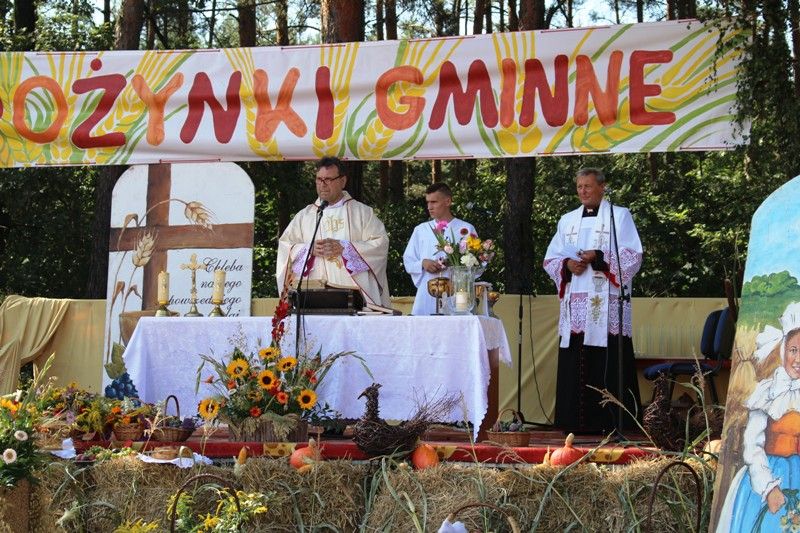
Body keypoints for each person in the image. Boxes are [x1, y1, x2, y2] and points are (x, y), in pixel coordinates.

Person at [543, 167, 643, 433]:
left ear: (602, 187)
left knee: (605, 362)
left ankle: (611, 422)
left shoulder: (619, 216)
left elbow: (632, 256)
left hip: (606, 301)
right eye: (579, 187)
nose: (583, 191)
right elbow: (551, 258)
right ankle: (573, 422)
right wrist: (567, 265)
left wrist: (598, 256)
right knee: (575, 363)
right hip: (576, 300)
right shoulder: (567, 220)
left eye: (587, 186)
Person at [717, 302, 800, 532]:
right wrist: (768, 488)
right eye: (793, 350)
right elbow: (752, 447)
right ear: (783, 350)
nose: (798, 359)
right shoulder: (767, 391)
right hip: (770, 475)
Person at [276, 156, 391, 307]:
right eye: (319, 179)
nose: (322, 185)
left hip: (354, 300)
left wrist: (346, 248)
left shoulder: (362, 213)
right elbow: (285, 247)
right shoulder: (304, 216)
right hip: (312, 299)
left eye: (328, 179)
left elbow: (380, 245)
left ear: (342, 181)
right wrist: (308, 249)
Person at [403, 183, 475, 315]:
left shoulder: (465, 229)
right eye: (428, 202)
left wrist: (454, 265)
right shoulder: (421, 230)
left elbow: (476, 263)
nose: (429, 207)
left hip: (457, 294)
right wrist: (423, 263)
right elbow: (408, 260)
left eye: (434, 202)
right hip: (427, 293)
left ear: (448, 201)